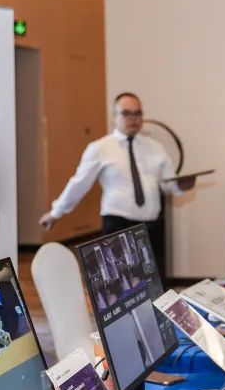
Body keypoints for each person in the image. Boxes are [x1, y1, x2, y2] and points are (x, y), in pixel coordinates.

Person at [39, 93, 195, 273]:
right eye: (126, 113)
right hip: (117, 226)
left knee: (154, 282)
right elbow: (79, 184)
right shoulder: (100, 148)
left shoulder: (156, 148)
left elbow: (168, 184)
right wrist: (56, 212)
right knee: (120, 283)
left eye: (137, 113)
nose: (133, 119)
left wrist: (180, 186)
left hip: (151, 227)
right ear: (114, 117)